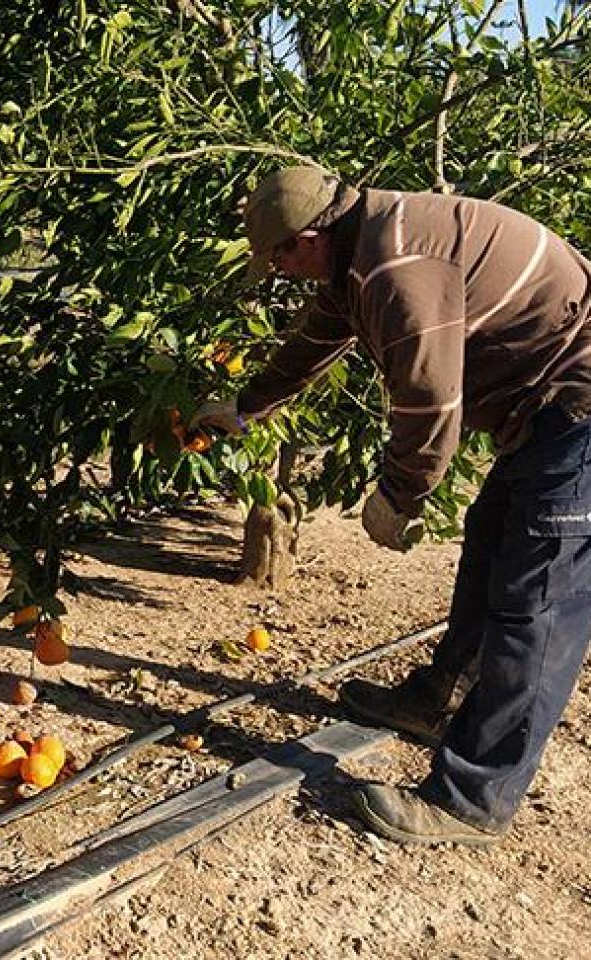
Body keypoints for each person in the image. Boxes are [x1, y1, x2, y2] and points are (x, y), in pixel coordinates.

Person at [193, 165, 591, 846]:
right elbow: (314, 342)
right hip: (545, 408)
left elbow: (430, 401)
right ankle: (439, 696)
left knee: (538, 607)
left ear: (309, 238)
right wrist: (246, 406)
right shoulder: (358, 251)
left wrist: (398, 496)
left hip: (577, 406)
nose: (281, 274)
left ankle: (473, 798)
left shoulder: (394, 268)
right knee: (492, 538)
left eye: (280, 259)